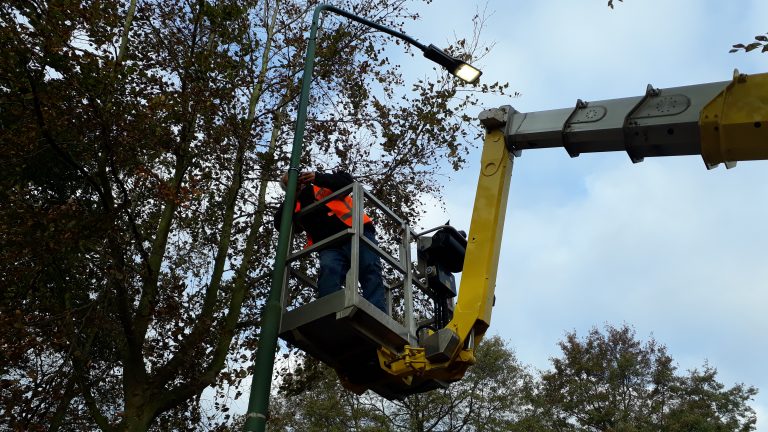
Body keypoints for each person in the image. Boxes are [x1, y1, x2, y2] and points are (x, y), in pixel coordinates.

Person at [274, 169, 387, 313]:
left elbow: (346, 182)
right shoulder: (294, 204)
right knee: (328, 274)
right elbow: (280, 224)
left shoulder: (321, 183)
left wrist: (317, 177)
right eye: (291, 183)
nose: (298, 184)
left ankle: (376, 311)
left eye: (298, 179)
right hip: (328, 245)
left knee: (369, 268)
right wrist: (291, 197)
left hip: (355, 229)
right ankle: (329, 313)